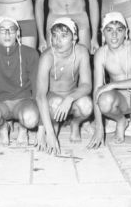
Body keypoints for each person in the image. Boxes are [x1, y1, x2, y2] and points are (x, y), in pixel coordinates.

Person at [88, 12, 131, 148]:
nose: (114, 35)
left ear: (126, 32)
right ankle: (120, 121)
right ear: (103, 33)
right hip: (121, 101)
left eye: (119, 30)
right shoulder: (100, 54)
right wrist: (99, 128)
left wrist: (113, 85)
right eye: (109, 30)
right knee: (104, 100)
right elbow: (97, 91)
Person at [0, 17, 40, 146]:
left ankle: (23, 128)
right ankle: (3, 127)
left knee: (31, 119)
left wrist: (42, 129)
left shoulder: (31, 54)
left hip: (22, 102)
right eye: (2, 30)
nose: (7, 34)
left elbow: (38, 90)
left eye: (11, 30)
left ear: (18, 33)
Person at [36, 18, 93, 155]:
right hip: (53, 99)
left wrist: (70, 99)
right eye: (54, 36)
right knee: (56, 103)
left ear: (75, 37)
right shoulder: (47, 57)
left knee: (86, 105)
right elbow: (40, 96)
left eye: (63, 36)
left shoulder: (81, 52)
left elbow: (87, 85)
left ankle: (75, 124)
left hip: (71, 96)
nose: (57, 41)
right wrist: (49, 132)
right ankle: (53, 126)